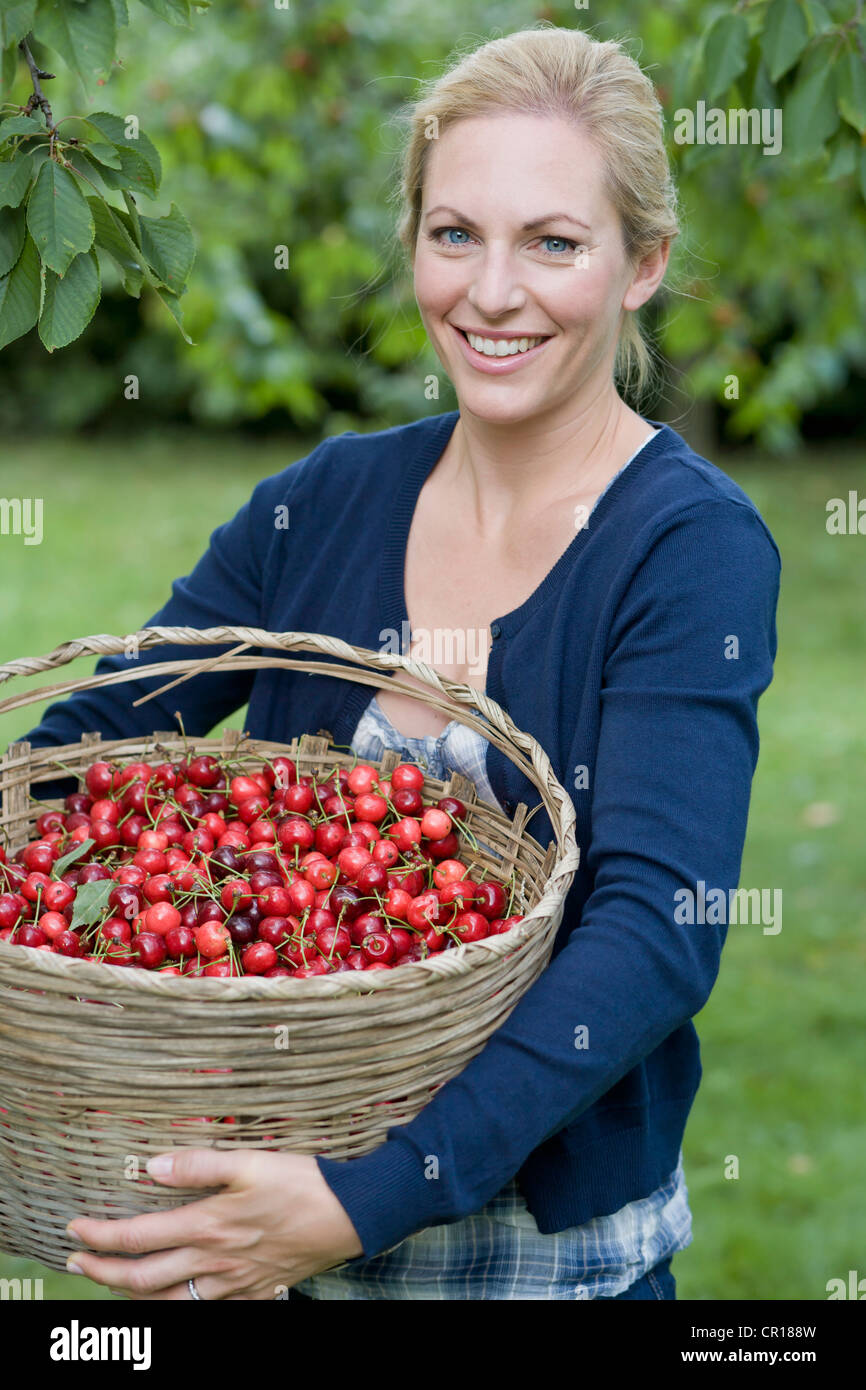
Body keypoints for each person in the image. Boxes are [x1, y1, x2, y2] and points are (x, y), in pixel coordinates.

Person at [21, 25, 780, 1300]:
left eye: (552, 242)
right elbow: (87, 746)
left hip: (534, 1262)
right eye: (451, 235)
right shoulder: (323, 501)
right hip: (257, 1227)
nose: (490, 292)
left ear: (641, 263)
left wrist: (363, 1198)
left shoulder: (686, 547)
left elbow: (654, 933)